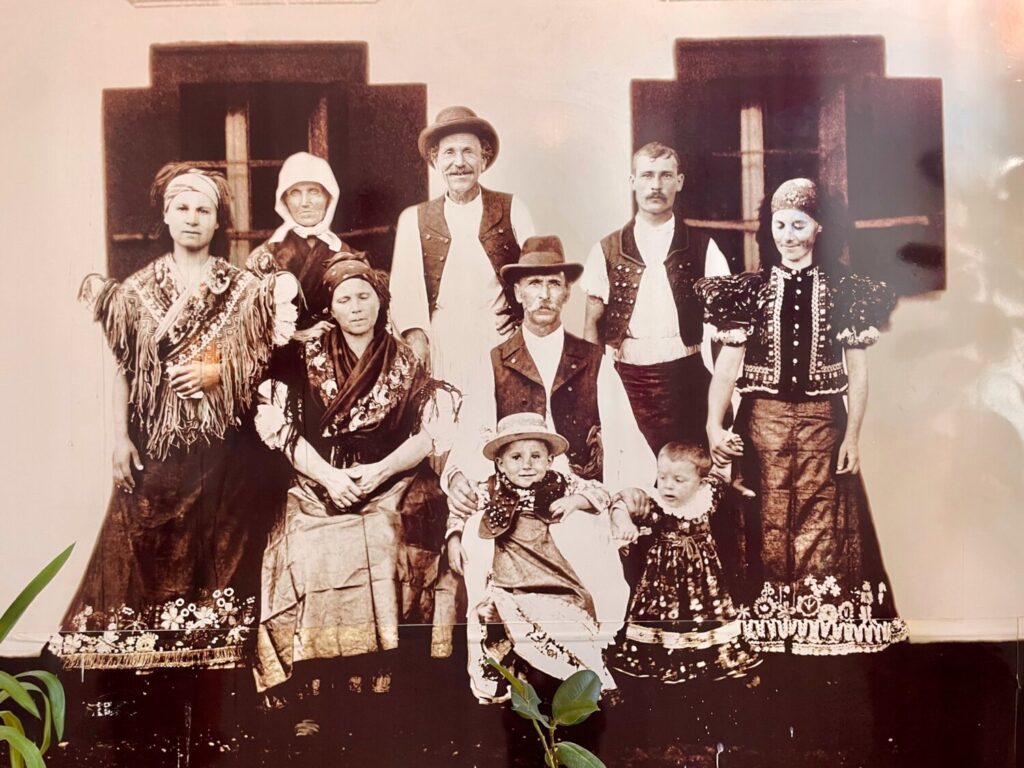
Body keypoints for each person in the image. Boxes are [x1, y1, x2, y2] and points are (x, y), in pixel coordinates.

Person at [51, 164, 299, 670]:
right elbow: (124, 370)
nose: (192, 218)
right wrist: (119, 439)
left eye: (203, 210)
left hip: (226, 449)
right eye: (182, 208)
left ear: (218, 221)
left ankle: (218, 670)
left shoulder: (243, 289)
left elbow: (263, 361)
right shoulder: (134, 291)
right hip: (158, 445)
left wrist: (216, 371)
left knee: (222, 555)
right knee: (150, 548)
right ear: (165, 216)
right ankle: (149, 675)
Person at [696, 177, 907, 655]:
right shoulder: (747, 292)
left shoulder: (845, 291)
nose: (788, 235)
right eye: (780, 225)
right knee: (764, 521)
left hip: (823, 426)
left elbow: (858, 373)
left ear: (819, 228)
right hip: (761, 427)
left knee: (823, 527)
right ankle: (766, 633)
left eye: (798, 224)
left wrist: (853, 437)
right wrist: (713, 426)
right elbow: (726, 370)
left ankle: (820, 632)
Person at [251, 252, 460, 703]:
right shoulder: (302, 356)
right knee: (306, 546)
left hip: (390, 483)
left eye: (364, 296)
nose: (356, 308)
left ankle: (381, 674)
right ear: (331, 308)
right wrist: (330, 477)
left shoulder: (405, 358)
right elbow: (280, 429)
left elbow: (429, 433)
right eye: (344, 300)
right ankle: (316, 679)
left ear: (380, 301)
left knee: (385, 539)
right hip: (319, 481)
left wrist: (379, 471)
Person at [442, 236, 652, 655]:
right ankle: (503, 665)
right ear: (518, 292)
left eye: (554, 284)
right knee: (480, 550)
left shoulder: (593, 360)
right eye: (534, 284)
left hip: (577, 497)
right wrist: (460, 485)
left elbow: (623, 436)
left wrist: (619, 497)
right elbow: (472, 439)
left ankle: (584, 659)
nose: (544, 294)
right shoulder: (494, 361)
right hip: (510, 498)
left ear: (567, 292)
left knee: (586, 544)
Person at [446, 413, 620, 702]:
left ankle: (576, 681)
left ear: (550, 460)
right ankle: (519, 684)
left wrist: (576, 501)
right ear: (500, 463)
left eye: (536, 456)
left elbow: (601, 492)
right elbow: (459, 511)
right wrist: (453, 538)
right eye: (516, 457)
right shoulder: (489, 489)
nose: (527, 465)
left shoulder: (561, 483)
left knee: (572, 614)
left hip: (552, 570)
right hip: (509, 572)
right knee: (500, 614)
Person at [582, 142, 731, 452]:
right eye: (647, 175)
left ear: (680, 181)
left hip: (687, 380)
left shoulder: (703, 247)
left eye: (666, 175)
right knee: (631, 470)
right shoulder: (606, 249)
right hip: (626, 381)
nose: (656, 185)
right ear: (632, 181)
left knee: (687, 469)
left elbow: (726, 328)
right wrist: (592, 391)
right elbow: (591, 328)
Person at [389, 105, 536, 394]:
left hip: (499, 338)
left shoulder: (512, 208)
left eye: (468, 151)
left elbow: (536, 271)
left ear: (484, 158)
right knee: (447, 412)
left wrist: (523, 317)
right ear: (435, 160)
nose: (459, 163)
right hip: (441, 342)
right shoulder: (413, 218)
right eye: (449, 153)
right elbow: (404, 290)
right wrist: (417, 339)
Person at [610, 441, 759, 683]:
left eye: (679, 480)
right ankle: (666, 661)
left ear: (700, 482)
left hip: (703, 576)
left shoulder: (707, 495)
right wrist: (624, 522)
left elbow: (720, 475)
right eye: (662, 477)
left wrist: (727, 446)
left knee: (708, 613)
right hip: (665, 577)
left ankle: (715, 659)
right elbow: (621, 502)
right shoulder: (656, 503)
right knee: (665, 615)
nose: (668, 485)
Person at [248, 151, 352, 327]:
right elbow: (252, 322)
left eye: (314, 192)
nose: (305, 202)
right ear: (284, 200)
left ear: (329, 197)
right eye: (295, 193)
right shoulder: (264, 256)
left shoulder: (346, 254)